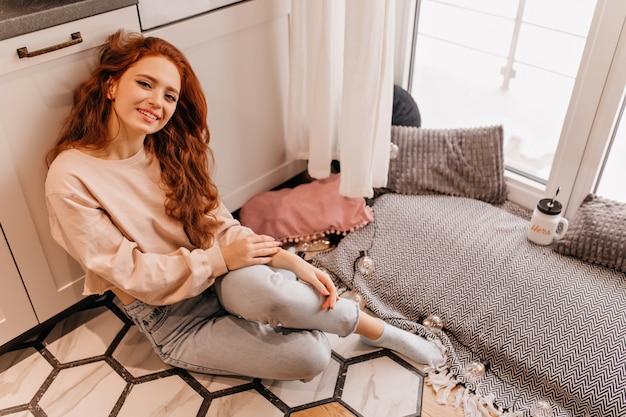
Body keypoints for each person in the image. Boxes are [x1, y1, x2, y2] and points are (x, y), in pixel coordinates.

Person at [45, 30, 443, 381]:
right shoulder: (71, 177)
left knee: (270, 290)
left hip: (221, 280)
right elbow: (135, 276)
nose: (157, 102)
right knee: (311, 357)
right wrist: (222, 260)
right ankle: (289, 308)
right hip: (172, 319)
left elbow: (221, 228)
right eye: (145, 84)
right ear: (112, 85)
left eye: (170, 95)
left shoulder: (167, 150)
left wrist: (295, 263)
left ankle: (380, 331)